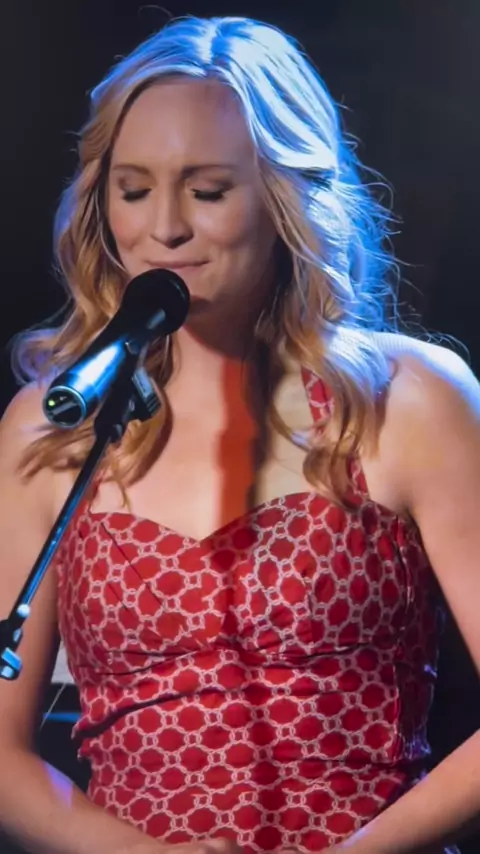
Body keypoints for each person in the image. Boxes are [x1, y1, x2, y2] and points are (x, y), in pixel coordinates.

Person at [0, 13, 478, 854]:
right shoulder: (55, 427)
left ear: (285, 197)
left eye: (208, 191)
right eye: (134, 189)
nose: (165, 228)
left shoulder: (407, 402)